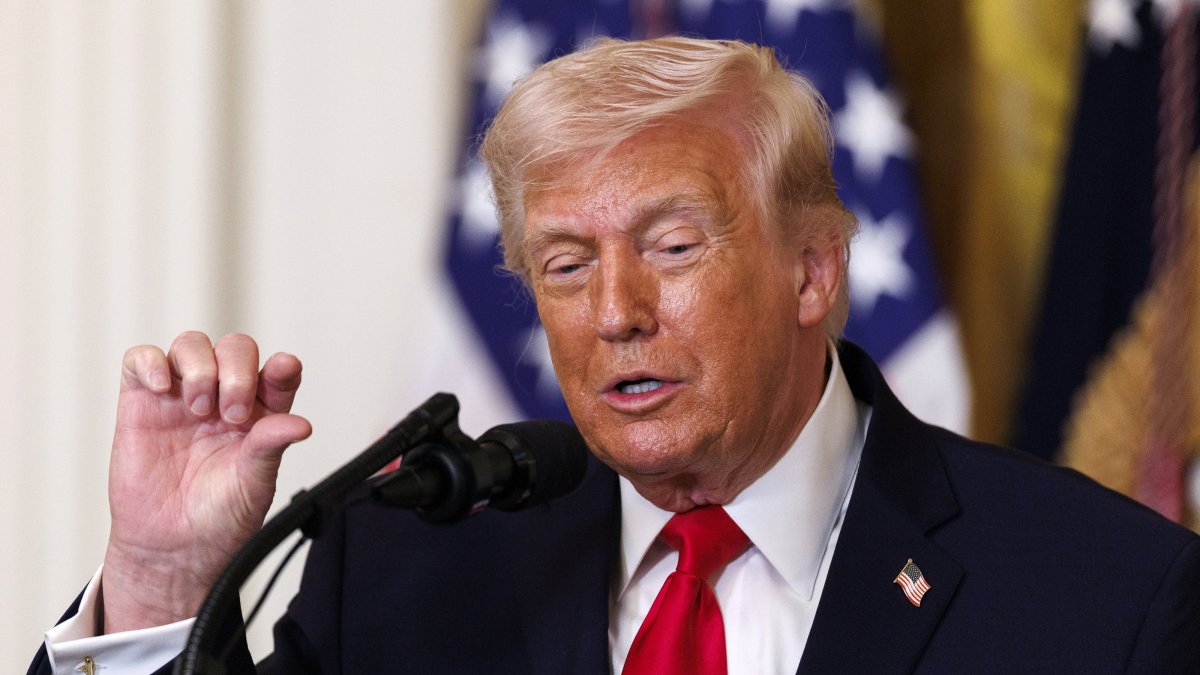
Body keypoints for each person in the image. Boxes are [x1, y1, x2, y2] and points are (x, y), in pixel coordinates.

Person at [32, 37, 1200, 674]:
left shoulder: (1106, 597)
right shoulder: (399, 572)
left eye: (674, 246)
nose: (617, 312)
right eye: (566, 265)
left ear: (813, 272)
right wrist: (163, 583)